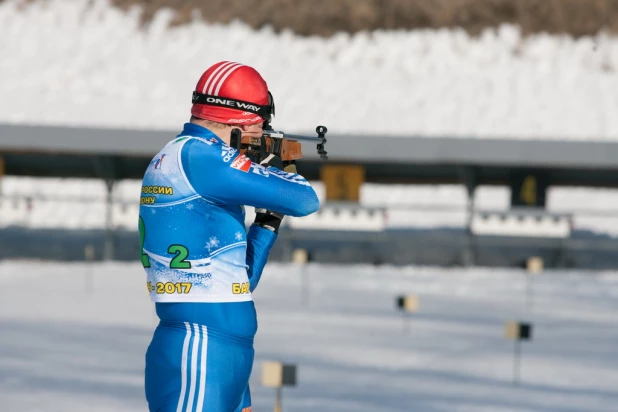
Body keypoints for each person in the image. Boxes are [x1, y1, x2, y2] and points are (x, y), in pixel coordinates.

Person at [139, 61, 320, 412]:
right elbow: (304, 199)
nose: (264, 129)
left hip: (223, 353)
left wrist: (266, 224)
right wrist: (281, 169)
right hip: (199, 350)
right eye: (261, 120)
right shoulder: (199, 156)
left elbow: (238, 281)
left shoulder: (193, 158)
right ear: (240, 117)